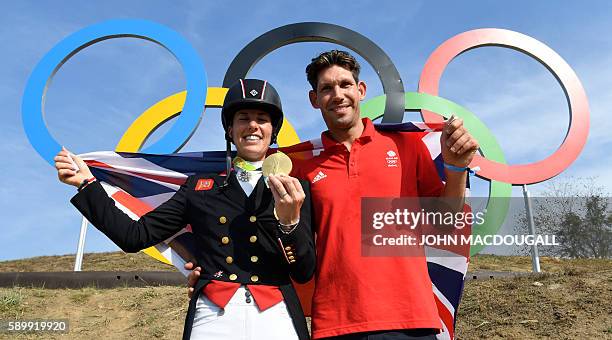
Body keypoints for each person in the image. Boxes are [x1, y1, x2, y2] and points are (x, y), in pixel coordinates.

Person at [187, 50, 479, 339]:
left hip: (411, 318)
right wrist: (215, 267)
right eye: (326, 88)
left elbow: (444, 224)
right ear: (315, 100)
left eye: (345, 84)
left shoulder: (406, 147)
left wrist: (456, 168)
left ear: (361, 90)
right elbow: (270, 232)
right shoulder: (301, 168)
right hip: (336, 324)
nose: (337, 94)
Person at [54, 79, 316, 340]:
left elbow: (303, 271)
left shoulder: (295, 187)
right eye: (243, 118)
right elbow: (133, 236)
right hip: (213, 314)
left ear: (273, 130)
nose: (253, 126)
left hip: (276, 314)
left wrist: (289, 223)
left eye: (262, 118)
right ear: (230, 129)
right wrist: (87, 185)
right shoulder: (201, 188)